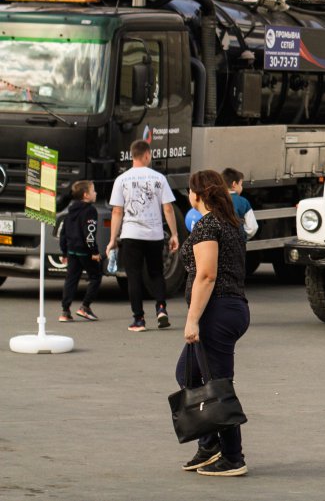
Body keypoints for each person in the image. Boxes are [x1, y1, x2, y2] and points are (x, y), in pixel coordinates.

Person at [177, 169, 251, 477]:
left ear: (197, 195)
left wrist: (192, 319)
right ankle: (209, 444)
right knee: (188, 374)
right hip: (231, 308)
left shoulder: (209, 225)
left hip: (216, 312)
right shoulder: (231, 223)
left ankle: (233, 456)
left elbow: (207, 276)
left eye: (189, 192)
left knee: (218, 386)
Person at [106, 140, 179, 332]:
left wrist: (113, 239)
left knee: (134, 276)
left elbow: (116, 212)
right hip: (154, 234)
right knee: (156, 273)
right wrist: (174, 234)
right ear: (146, 155)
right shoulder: (159, 178)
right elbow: (168, 208)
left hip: (131, 234)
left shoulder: (121, 180)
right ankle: (161, 308)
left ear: (132, 155)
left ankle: (138, 319)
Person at [59, 180, 102, 322]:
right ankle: (85, 307)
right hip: (85, 251)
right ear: (86, 195)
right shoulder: (90, 210)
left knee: (71, 279)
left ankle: (65, 311)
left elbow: (63, 233)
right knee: (95, 276)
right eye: (93, 191)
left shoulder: (70, 211)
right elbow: (89, 233)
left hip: (71, 250)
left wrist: (64, 252)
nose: (95, 193)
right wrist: (94, 252)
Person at [222, 168, 260, 240]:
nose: (241, 187)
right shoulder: (243, 202)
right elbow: (252, 227)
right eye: (240, 184)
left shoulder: (216, 200)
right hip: (237, 245)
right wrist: (242, 237)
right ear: (234, 184)